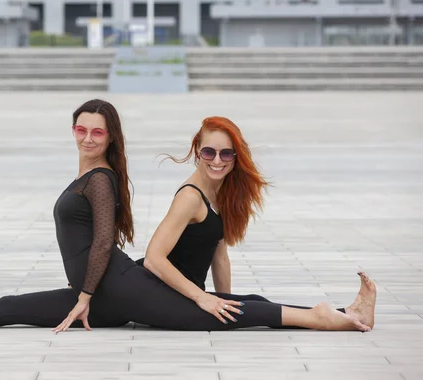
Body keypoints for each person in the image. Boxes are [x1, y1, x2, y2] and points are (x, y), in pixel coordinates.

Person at [0, 99, 374, 332]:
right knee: (14, 308)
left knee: (232, 311)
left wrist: (88, 296)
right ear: (73, 131)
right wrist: (91, 296)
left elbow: (100, 246)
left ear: (111, 137)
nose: (89, 137)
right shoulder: (94, 179)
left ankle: (332, 318)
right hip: (116, 284)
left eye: (99, 132)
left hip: (112, 281)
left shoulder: (100, 181)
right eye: (82, 129)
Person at [135, 116, 375, 328]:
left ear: (236, 156)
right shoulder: (189, 197)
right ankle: (324, 319)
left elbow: (219, 257)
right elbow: (153, 258)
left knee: (253, 303)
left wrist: (225, 301)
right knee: (254, 310)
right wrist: (203, 298)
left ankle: (350, 313)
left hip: (183, 293)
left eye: (226, 153)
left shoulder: (218, 194)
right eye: (209, 152)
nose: (217, 161)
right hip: (161, 292)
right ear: (197, 150)